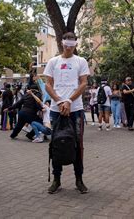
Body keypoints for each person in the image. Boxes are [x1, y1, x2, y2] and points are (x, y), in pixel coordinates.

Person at [44, 32, 90, 194]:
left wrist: (69, 101)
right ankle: (56, 179)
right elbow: (48, 84)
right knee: (56, 143)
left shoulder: (81, 61)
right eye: (66, 44)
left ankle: (79, 179)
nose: (69, 47)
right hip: (57, 110)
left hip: (75, 109)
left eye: (72, 44)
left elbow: (84, 83)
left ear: (75, 44)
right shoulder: (53, 61)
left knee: (78, 144)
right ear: (61, 43)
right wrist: (59, 101)